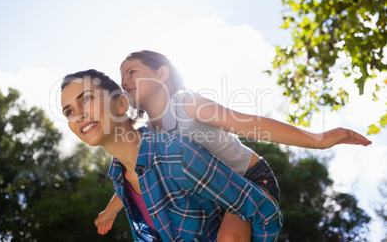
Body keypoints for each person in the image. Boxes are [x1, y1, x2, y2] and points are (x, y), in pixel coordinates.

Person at [118, 50, 372, 241]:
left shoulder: (186, 104)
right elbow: (137, 175)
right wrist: (112, 209)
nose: (124, 81)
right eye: (121, 77)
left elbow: (248, 124)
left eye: (132, 72)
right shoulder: (148, 135)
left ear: (162, 74)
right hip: (212, 198)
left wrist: (317, 140)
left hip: (250, 182)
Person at [60, 69, 283, 242]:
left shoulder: (176, 155)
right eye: (69, 112)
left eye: (87, 99)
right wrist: (109, 213)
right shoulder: (119, 179)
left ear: (121, 103)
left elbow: (263, 213)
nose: (78, 115)